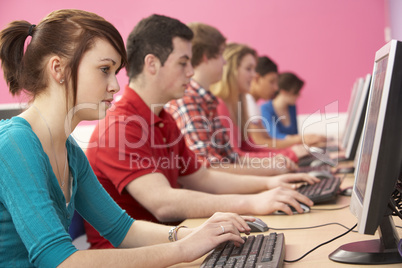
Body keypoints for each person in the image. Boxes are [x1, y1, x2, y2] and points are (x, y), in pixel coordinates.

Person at [0, 9, 258, 267]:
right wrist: (184, 249)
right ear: (58, 69)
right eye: (104, 69)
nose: (115, 85)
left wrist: (198, 236)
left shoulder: (69, 150)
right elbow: (59, 260)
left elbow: (122, 229)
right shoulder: (15, 145)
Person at [84, 14, 318, 249]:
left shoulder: (164, 119)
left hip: (169, 244)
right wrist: (254, 202)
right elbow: (163, 203)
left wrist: (270, 185)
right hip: (135, 256)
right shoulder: (119, 126)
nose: (190, 72)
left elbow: (205, 178)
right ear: (152, 64)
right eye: (183, 62)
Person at [165, 23, 297, 176]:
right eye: (221, 54)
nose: (224, 62)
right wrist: (275, 168)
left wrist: (278, 161)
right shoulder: (192, 101)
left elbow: (232, 156)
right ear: (206, 57)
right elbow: (210, 168)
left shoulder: (209, 102)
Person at [209, 43, 311, 163]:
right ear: (230, 70)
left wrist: (288, 154)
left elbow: (250, 146)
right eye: (248, 69)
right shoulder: (220, 105)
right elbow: (237, 156)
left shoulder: (239, 105)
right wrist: (289, 155)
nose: (253, 75)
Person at [247, 57, 327, 148]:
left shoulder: (253, 105)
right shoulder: (254, 106)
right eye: (271, 81)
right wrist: (300, 140)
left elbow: (267, 140)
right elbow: (262, 143)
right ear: (256, 79)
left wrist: (302, 141)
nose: (276, 88)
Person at [260, 72, 327, 146]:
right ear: (283, 92)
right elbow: (274, 136)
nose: (299, 95)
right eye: (296, 92)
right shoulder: (265, 109)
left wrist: (312, 139)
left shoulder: (292, 107)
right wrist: (304, 138)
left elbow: (295, 134)